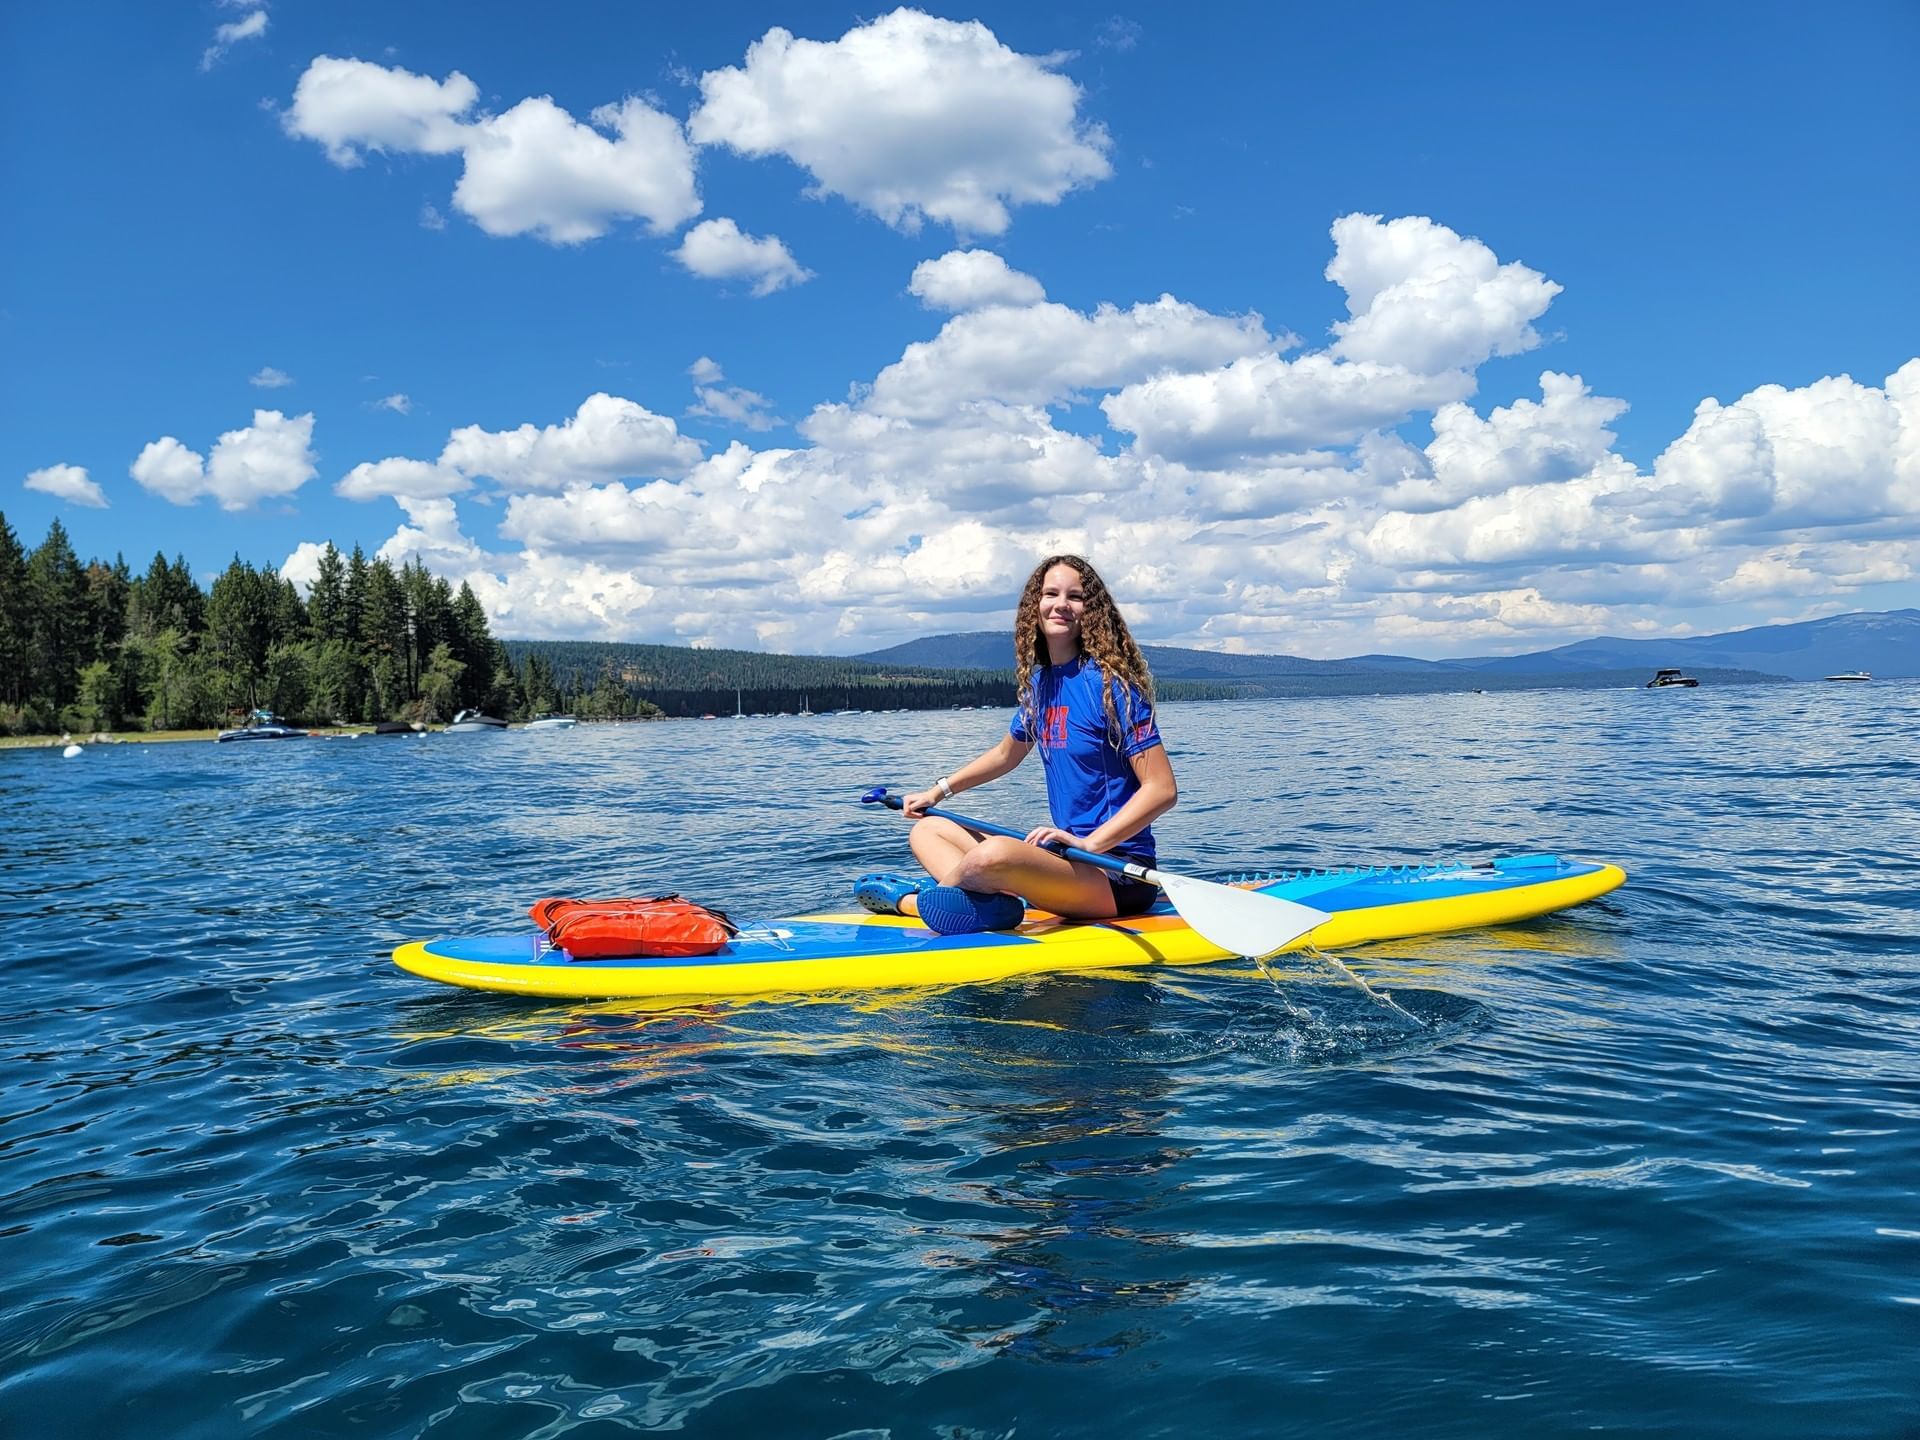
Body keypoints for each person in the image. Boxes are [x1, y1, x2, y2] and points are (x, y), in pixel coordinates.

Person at [857, 554, 1177, 935]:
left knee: (996, 854)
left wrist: (1090, 845)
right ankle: (986, 904)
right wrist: (937, 791)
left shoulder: (1113, 687)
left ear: (1091, 610)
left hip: (1115, 874)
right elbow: (1006, 754)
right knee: (928, 830)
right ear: (1034, 606)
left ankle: (915, 902)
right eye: (1050, 593)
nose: (1061, 604)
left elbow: (1162, 790)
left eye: (1075, 596)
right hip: (1065, 860)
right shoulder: (1042, 687)